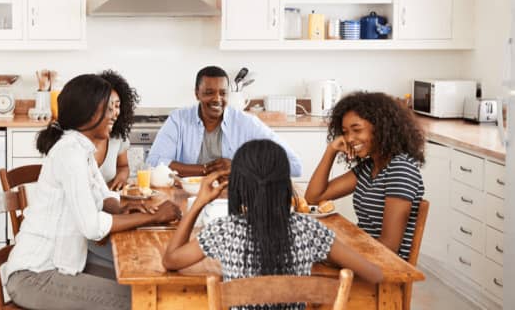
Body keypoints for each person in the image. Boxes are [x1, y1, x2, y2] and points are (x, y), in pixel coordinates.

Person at [4, 74, 182, 310]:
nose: (115, 114)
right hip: (35, 276)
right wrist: (154, 216)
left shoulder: (81, 150)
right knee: (143, 300)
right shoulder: (69, 154)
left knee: (146, 285)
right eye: (108, 108)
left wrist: (127, 207)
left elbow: (104, 195)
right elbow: (92, 227)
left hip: (63, 264)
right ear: (87, 112)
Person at [163, 139, 383, 309]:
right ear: (285, 183)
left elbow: (171, 260)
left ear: (237, 187)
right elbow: (375, 275)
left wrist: (199, 203)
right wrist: (329, 256)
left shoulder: (223, 231)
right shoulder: (310, 230)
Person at [304, 91, 425, 261]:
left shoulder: (400, 170)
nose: (349, 138)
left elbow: (389, 246)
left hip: (384, 267)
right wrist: (331, 150)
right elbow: (314, 197)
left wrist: (340, 254)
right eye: (345, 132)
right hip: (365, 256)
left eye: (357, 130)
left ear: (381, 127)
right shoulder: (369, 167)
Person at [146, 66, 302, 177]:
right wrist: (205, 169)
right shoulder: (178, 120)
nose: (217, 99)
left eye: (223, 93)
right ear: (197, 94)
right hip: (186, 196)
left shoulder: (246, 123)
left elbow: (294, 165)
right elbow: (153, 163)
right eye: (209, 93)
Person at [96, 70, 139, 191]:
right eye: (108, 106)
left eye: (117, 106)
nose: (114, 112)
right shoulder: (77, 143)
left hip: (105, 202)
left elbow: (123, 166)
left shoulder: (116, 136)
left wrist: (121, 178)